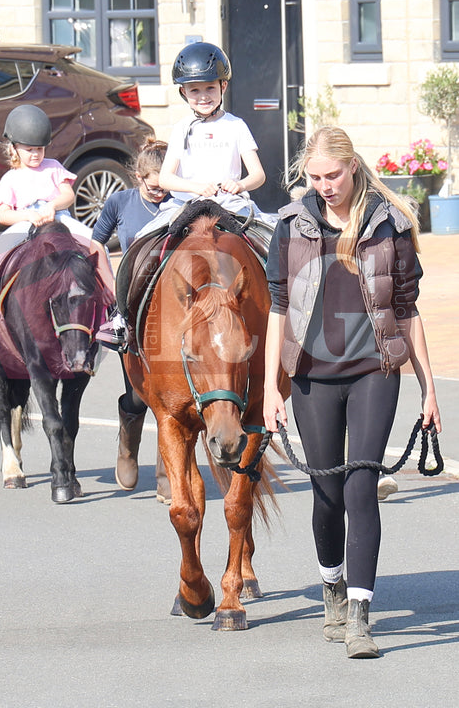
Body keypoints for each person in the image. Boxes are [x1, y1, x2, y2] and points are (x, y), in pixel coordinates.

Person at [263, 126, 441, 659]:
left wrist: (430, 389)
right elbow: (277, 309)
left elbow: (407, 310)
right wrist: (274, 388)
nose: (324, 186)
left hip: (374, 371)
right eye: (314, 178)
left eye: (332, 175)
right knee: (328, 495)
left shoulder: (391, 224)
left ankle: (360, 615)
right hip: (312, 376)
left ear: (353, 167)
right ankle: (332, 586)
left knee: (362, 488)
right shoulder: (291, 225)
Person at [0, 104, 114, 319]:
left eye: (40, 149)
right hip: (26, 221)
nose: (36, 154)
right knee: (0, 245)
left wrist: (53, 205)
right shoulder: (11, 178)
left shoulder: (53, 166)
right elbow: (3, 214)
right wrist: (27, 215)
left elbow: (68, 195)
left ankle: (110, 295)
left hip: (58, 218)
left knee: (95, 243)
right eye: (29, 150)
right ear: (14, 148)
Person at [90, 138, 172, 504]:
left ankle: (167, 471)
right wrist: (111, 285)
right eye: (152, 184)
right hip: (133, 306)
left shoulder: (181, 204)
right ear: (138, 176)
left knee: (171, 398)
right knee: (140, 395)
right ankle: (127, 448)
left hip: (174, 307)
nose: (158, 191)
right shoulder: (120, 202)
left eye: (165, 183)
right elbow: (96, 243)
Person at [143, 41, 276, 231]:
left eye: (210, 88)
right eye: (195, 90)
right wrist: (196, 188)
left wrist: (239, 185)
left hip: (230, 205)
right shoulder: (181, 128)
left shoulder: (236, 125)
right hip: (185, 205)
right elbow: (165, 179)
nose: (203, 97)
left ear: (223, 86)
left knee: (271, 238)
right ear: (184, 92)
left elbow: (258, 175)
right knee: (143, 241)